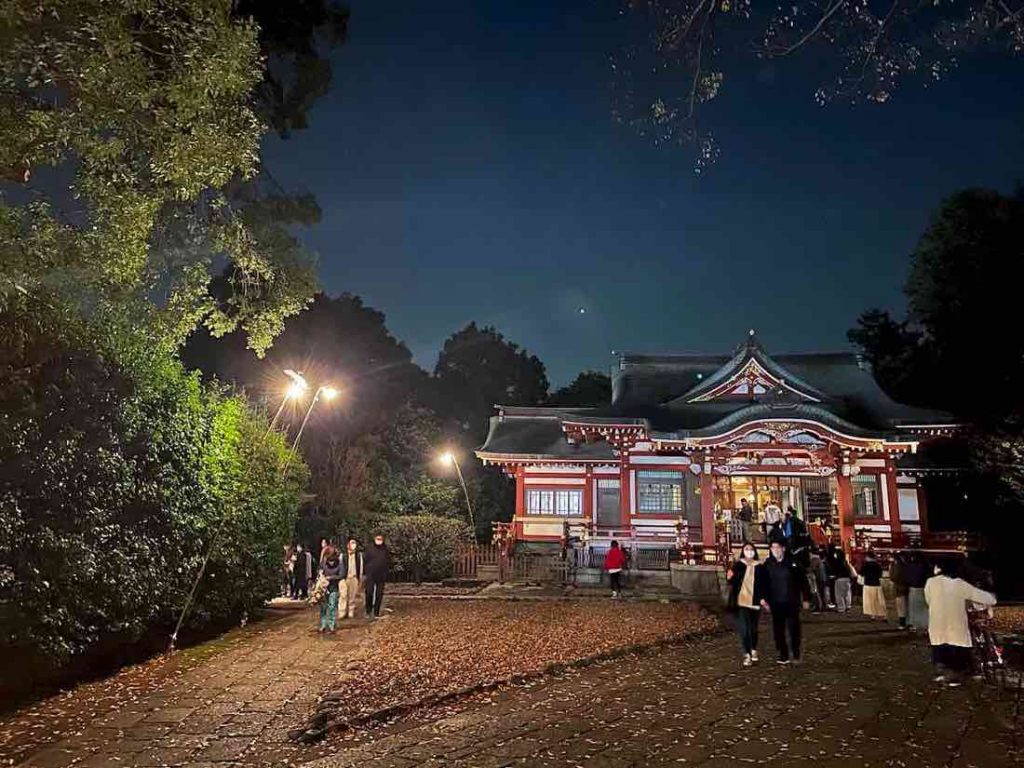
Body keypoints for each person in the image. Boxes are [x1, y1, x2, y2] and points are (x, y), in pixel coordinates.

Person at [924, 559, 997, 686]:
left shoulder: (930, 582)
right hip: (956, 625)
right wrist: (992, 598)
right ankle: (955, 676)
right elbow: (988, 599)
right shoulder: (960, 584)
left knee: (939, 646)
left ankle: (942, 672)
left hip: (937, 623)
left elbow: (928, 600)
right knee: (957, 649)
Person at [727, 542, 769, 667]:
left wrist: (763, 598)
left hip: (755, 601)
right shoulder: (738, 565)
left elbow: (764, 584)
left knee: (753, 628)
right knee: (744, 629)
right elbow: (732, 582)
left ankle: (753, 649)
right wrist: (729, 577)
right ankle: (747, 654)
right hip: (741, 601)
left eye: (751, 549)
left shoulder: (760, 567)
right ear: (743, 551)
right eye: (746, 549)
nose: (749, 551)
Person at [762, 540, 803, 664]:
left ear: (783, 549)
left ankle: (796, 653)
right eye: (773, 547)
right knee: (778, 630)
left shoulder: (792, 563)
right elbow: (763, 583)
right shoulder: (768, 564)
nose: (775, 550)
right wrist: (764, 599)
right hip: (775, 602)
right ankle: (783, 654)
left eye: (778, 547)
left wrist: (805, 598)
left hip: (791, 601)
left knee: (794, 629)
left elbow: (802, 581)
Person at [363, 533, 390, 619]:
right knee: (369, 592)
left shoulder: (385, 549)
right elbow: (365, 560)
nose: (379, 540)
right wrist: (366, 572)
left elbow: (388, 561)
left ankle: (376, 612)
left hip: (381, 575)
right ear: (374, 539)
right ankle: (368, 610)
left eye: (380, 539)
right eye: (377, 538)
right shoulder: (369, 548)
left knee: (379, 594)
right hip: (370, 575)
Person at [319, 545, 343, 633]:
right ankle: (322, 625)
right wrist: (321, 576)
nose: (331, 562)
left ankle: (331, 625)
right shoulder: (323, 562)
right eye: (329, 560)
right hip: (324, 588)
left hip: (333, 587)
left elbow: (341, 575)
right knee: (323, 607)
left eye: (332, 560)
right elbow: (320, 571)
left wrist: (331, 578)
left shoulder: (339, 563)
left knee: (332, 606)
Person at [903, 549, 929, 630]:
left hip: (913, 589)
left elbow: (907, 578)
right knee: (924, 608)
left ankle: (914, 625)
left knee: (913, 608)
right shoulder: (926, 566)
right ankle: (925, 625)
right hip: (923, 588)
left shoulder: (910, 566)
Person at [339, 538, 363, 619]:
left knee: (352, 596)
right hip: (344, 578)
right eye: (352, 543)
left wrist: (359, 578)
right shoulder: (343, 555)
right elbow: (340, 566)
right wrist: (340, 577)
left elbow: (361, 567)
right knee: (343, 595)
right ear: (348, 545)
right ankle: (342, 612)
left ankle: (351, 611)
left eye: (354, 543)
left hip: (354, 577)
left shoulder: (358, 556)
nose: (353, 545)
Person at [826, 543, 854, 612]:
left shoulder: (833, 558)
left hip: (839, 577)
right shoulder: (844, 561)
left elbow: (832, 566)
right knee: (847, 593)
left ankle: (841, 608)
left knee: (839, 594)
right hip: (847, 578)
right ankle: (848, 605)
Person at [860, 551, 886, 620]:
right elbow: (880, 574)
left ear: (868, 557)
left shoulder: (865, 565)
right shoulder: (878, 565)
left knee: (870, 601)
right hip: (876, 584)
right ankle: (883, 614)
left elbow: (861, 573)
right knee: (879, 600)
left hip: (868, 584)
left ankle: (873, 615)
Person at [891, 551, 910, 629]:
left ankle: (902, 623)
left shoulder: (896, 566)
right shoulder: (907, 565)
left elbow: (893, 577)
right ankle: (909, 623)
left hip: (899, 588)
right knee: (907, 606)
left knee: (901, 607)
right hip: (907, 587)